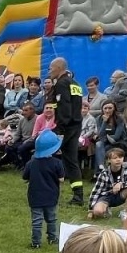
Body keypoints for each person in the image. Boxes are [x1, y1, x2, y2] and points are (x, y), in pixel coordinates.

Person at [46, 58, 85, 206]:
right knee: (71, 161)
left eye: (51, 68)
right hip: (76, 126)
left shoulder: (61, 84)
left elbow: (64, 108)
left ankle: (46, 191)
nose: (49, 71)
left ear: (59, 68)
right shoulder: (75, 84)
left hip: (66, 127)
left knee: (47, 156)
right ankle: (78, 195)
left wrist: (60, 130)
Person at [23, 128, 63, 248]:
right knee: (51, 218)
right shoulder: (57, 163)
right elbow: (61, 179)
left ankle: (36, 243)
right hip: (51, 196)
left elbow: (25, 177)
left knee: (37, 220)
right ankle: (52, 238)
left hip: (35, 196)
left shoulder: (31, 163)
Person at [88, 147, 127, 219]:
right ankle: (106, 209)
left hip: (121, 194)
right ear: (109, 160)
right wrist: (91, 208)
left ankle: (125, 212)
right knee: (98, 212)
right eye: (115, 158)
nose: (118, 160)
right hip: (106, 196)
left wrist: (121, 184)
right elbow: (96, 191)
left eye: (120, 157)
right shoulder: (104, 173)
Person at [94, 99, 127, 170]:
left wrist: (105, 136)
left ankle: (99, 171)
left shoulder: (119, 118)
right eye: (105, 108)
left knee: (101, 149)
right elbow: (100, 134)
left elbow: (116, 136)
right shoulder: (99, 118)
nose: (107, 110)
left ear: (114, 109)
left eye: (110, 108)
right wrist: (104, 122)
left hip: (119, 142)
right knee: (98, 144)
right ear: (102, 109)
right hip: (105, 142)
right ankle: (101, 166)